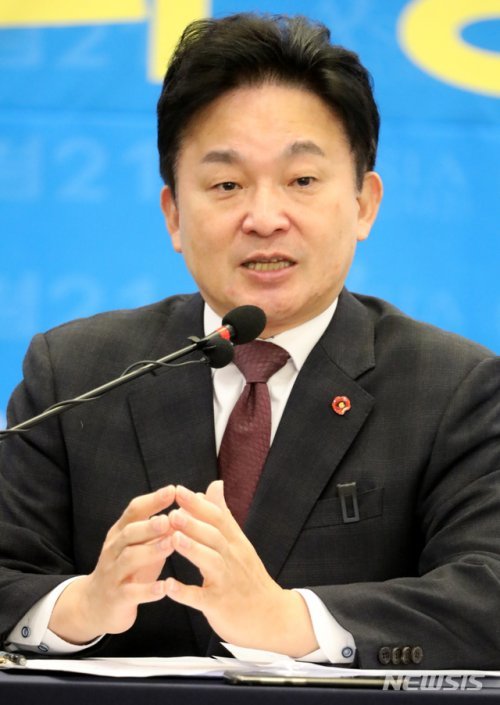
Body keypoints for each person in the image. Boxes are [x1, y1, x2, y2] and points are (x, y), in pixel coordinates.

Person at [1, 12, 499, 669]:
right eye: (227, 185)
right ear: (174, 214)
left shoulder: (455, 389)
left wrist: (287, 620)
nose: (264, 218)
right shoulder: (75, 373)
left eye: (302, 180)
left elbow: (487, 595)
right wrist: (80, 606)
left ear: (364, 204)